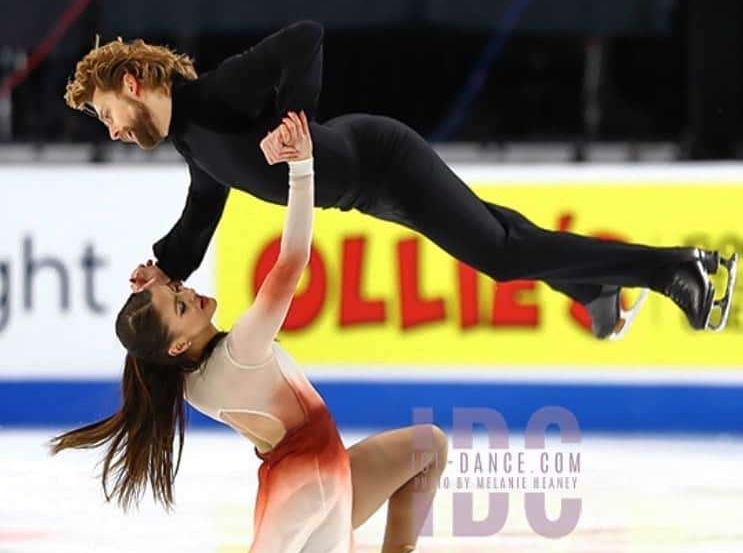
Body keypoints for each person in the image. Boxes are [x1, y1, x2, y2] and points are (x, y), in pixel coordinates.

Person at [33, 111, 468, 553]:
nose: (190, 292)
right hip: (310, 490)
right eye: (182, 303)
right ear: (175, 343)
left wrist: (159, 287)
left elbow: (170, 329)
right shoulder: (242, 350)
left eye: (180, 291)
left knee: (426, 446)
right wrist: (303, 168)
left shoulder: (189, 374)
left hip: (317, 472)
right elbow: (292, 261)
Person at [63, 22, 737, 339]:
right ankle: (594, 289)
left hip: (384, 159)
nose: (113, 128)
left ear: (131, 83)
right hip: (369, 188)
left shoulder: (220, 95)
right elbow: (197, 219)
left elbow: (304, 38)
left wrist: (295, 119)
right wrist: (164, 268)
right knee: (498, 234)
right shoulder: (193, 142)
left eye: (106, 114)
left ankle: (678, 267)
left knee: (500, 254)